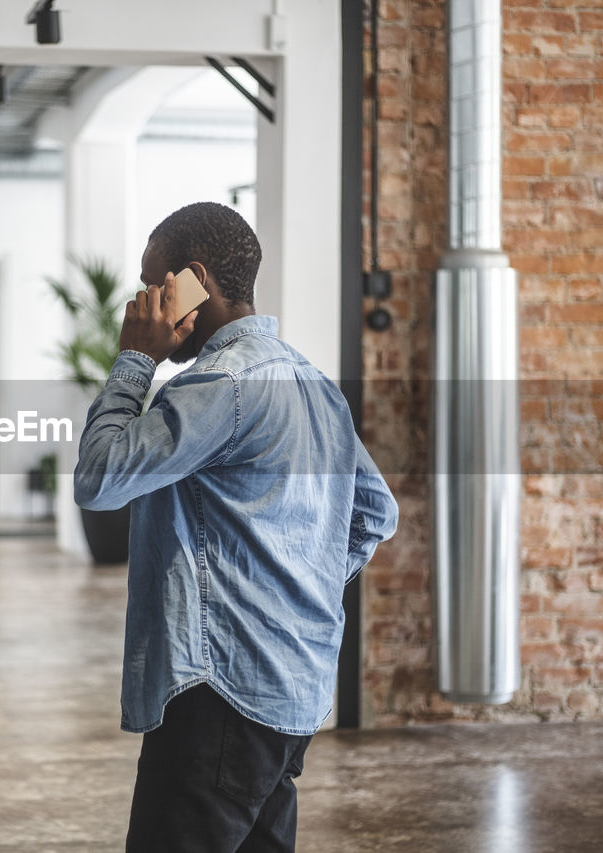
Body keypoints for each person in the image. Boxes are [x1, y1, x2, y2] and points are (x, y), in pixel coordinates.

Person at [73, 202, 398, 852]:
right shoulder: (310, 381)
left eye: (153, 282)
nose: (142, 300)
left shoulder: (220, 384)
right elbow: (374, 513)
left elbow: (100, 477)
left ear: (195, 279)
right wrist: (291, 590)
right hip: (289, 689)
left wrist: (136, 358)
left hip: (218, 697)